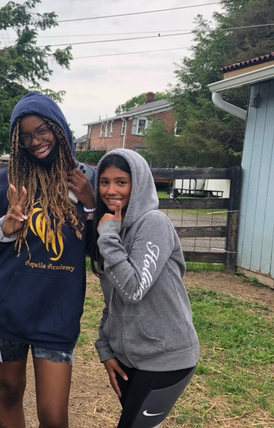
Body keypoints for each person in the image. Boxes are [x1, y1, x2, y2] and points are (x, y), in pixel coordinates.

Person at [0, 92, 96, 428]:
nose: (34, 141)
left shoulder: (86, 179)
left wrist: (89, 204)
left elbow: (98, 251)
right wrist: (7, 228)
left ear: (58, 128)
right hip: (10, 309)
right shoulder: (9, 180)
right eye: (25, 136)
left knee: (54, 417)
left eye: (41, 130)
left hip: (58, 312)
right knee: (9, 393)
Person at [92, 149, 200, 428]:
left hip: (166, 359)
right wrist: (106, 348)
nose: (111, 190)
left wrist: (107, 237)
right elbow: (113, 300)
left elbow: (134, 290)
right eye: (104, 182)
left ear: (138, 183)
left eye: (121, 182)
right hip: (130, 360)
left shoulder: (153, 224)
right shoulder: (114, 229)